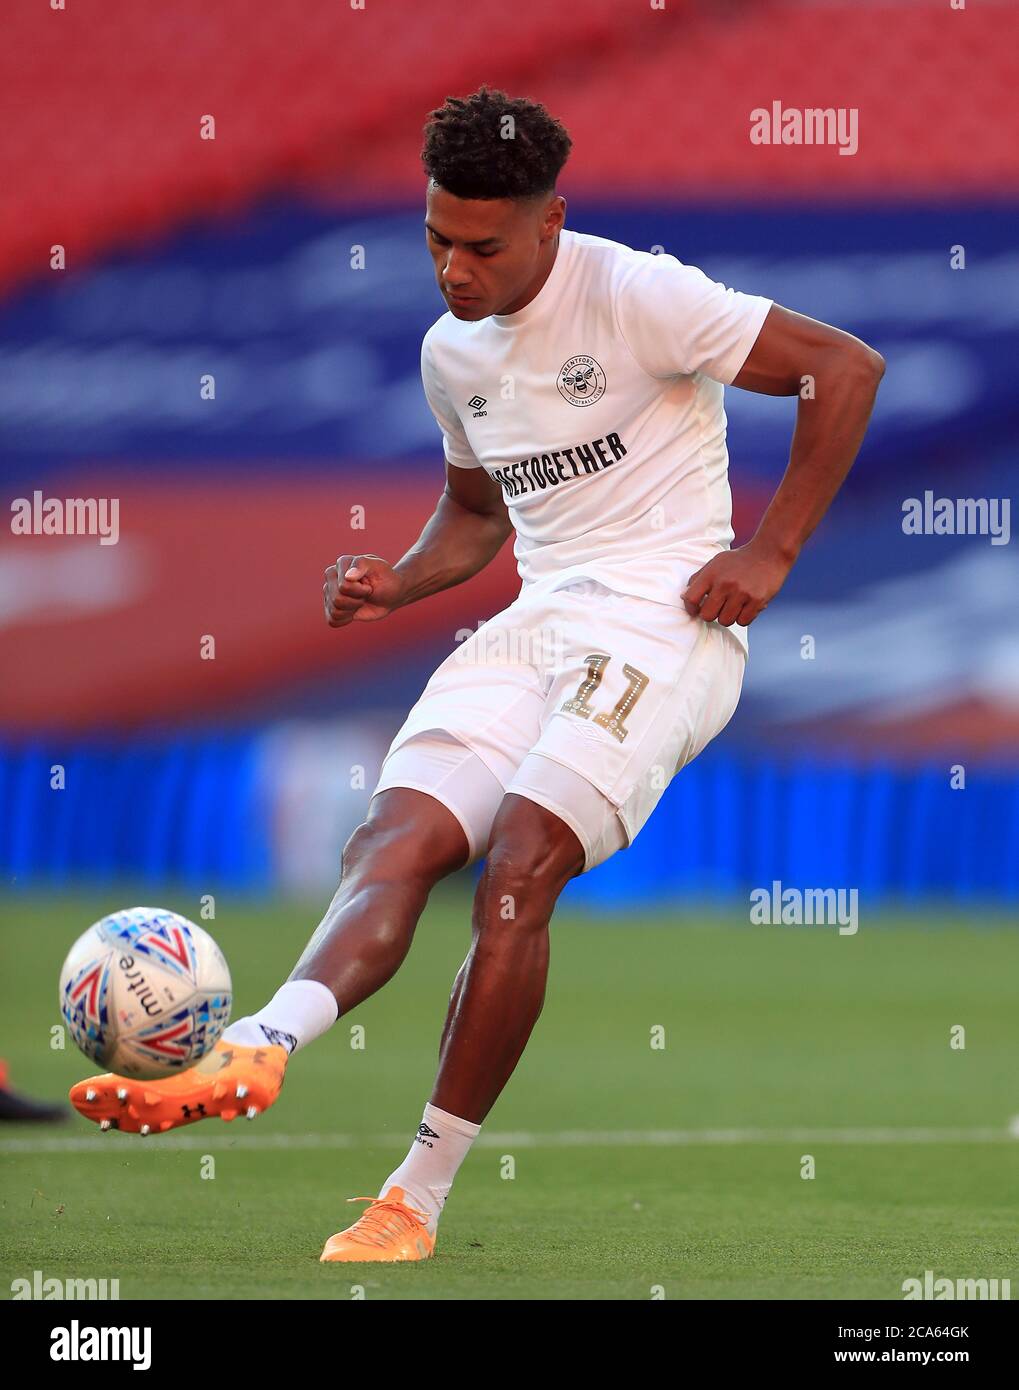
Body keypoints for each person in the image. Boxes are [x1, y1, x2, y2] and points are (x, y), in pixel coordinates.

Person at [71, 86, 884, 1263]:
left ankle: (414, 1197)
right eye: (436, 240)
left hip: (663, 622)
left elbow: (843, 368)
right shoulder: (449, 352)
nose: (454, 269)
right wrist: (398, 584)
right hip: (535, 616)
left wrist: (767, 550)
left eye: (482, 246)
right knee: (389, 842)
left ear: (551, 222)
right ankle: (259, 1043)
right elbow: (474, 516)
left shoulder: (637, 292)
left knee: (517, 867)